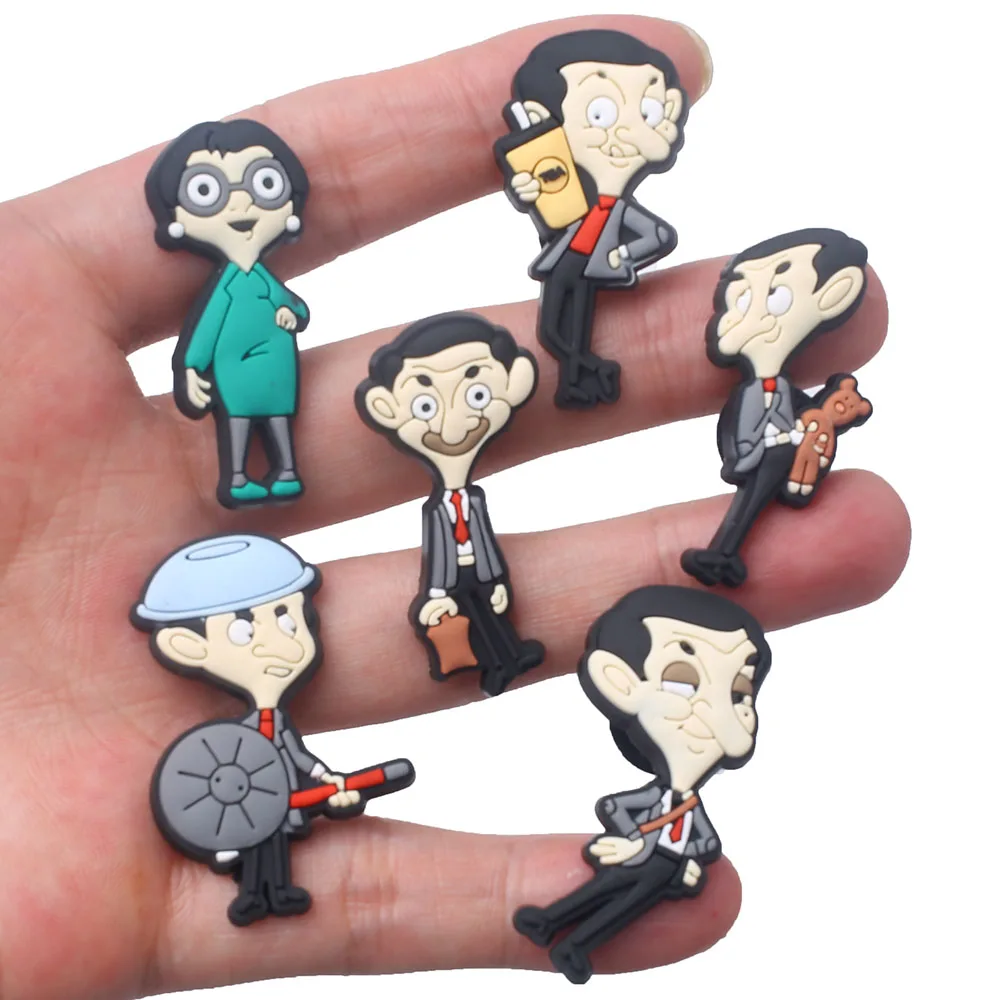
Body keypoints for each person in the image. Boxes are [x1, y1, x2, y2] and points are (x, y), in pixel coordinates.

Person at [0, 17, 912, 996]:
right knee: (351, 503)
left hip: (342, 405)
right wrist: (198, 372)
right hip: (273, 397)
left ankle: (485, 640)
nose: (279, 639)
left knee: (476, 582)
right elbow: (217, 344)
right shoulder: (237, 299)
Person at [513, 585, 770, 984]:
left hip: (663, 865)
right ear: (620, 683)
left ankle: (563, 935)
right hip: (646, 858)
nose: (715, 711)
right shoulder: (653, 800)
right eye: (683, 682)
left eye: (737, 693)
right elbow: (616, 808)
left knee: (622, 897)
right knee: (613, 892)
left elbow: (705, 844)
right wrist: (631, 842)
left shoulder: (689, 806)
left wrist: (685, 865)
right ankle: (555, 928)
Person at [132, 534, 361, 926]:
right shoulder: (234, 741)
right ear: (186, 646)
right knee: (259, 844)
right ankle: (254, 893)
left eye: (289, 622)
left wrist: (328, 779)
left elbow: (297, 757)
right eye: (245, 632)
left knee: (275, 843)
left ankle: (278, 890)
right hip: (250, 807)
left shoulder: (278, 724)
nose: (286, 647)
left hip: (278, 802)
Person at [357, 312, 545, 696]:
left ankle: (512, 656)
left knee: (493, 613)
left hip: (479, 571)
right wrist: (437, 594)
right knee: (475, 617)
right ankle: (496, 664)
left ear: (514, 385)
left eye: (477, 397)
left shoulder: (472, 499)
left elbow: (485, 542)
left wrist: (496, 580)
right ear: (385, 408)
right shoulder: (438, 509)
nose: (453, 425)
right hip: (453, 578)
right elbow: (439, 551)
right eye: (425, 406)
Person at [498, 29, 687, 408]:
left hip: (589, 268)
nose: (627, 132)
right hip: (564, 261)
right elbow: (546, 206)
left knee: (572, 329)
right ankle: (589, 370)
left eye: (647, 113)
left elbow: (660, 236)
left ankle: (577, 379)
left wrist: (622, 257)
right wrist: (526, 191)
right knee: (552, 331)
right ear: (544, 119)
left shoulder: (620, 209)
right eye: (600, 113)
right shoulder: (564, 189)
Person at [681, 229, 870, 588]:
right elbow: (743, 427)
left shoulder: (785, 392)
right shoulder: (755, 390)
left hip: (776, 458)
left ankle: (724, 552)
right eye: (741, 299)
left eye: (776, 296)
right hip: (755, 455)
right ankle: (724, 552)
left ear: (834, 296)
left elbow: (803, 423)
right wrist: (745, 455)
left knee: (757, 495)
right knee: (759, 488)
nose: (748, 317)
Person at [145, 119, 311, 507]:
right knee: (237, 417)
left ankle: (287, 470)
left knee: (278, 415)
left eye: (264, 184)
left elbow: (295, 305)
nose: (240, 204)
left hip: (275, 362)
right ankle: (237, 478)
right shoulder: (225, 285)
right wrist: (191, 367)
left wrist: (293, 315)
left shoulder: (264, 279)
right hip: (233, 368)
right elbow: (207, 326)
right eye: (207, 192)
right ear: (178, 217)